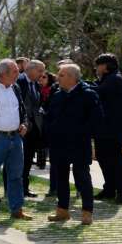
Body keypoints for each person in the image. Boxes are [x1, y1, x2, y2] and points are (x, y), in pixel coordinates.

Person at [45, 63, 103, 225]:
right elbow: (49, 117)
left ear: (72, 77)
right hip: (59, 145)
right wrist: (50, 132)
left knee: (82, 177)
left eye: (61, 75)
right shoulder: (57, 94)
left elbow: (96, 120)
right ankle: (62, 210)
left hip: (79, 144)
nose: (57, 77)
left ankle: (87, 212)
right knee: (61, 178)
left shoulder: (88, 95)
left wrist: (80, 132)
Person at [0, 59, 32, 222]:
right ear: (4, 73)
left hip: (16, 138)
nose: (19, 74)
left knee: (16, 175)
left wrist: (24, 124)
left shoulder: (16, 88)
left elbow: (22, 110)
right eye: (15, 71)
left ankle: (16, 209)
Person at [92, 53, 122, 203]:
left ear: (106, 66)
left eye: (99, 65)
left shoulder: (116, 79)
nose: (96, 68)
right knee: (103, 158)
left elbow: (98, 92)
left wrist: (78, 83)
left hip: (113, 130)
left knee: (115, 161)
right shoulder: (106, 79)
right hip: (103, 129)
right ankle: (109, 189)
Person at [16, 59, 45, 197]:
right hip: (21, 129)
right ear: (30, 69)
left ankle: (24, 188)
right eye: (40, 71)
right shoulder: (19, 81)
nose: (42, 74)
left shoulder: (35, 84)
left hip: (32, 130)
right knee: (17, 161)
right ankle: (14, 190)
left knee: (27, 161)